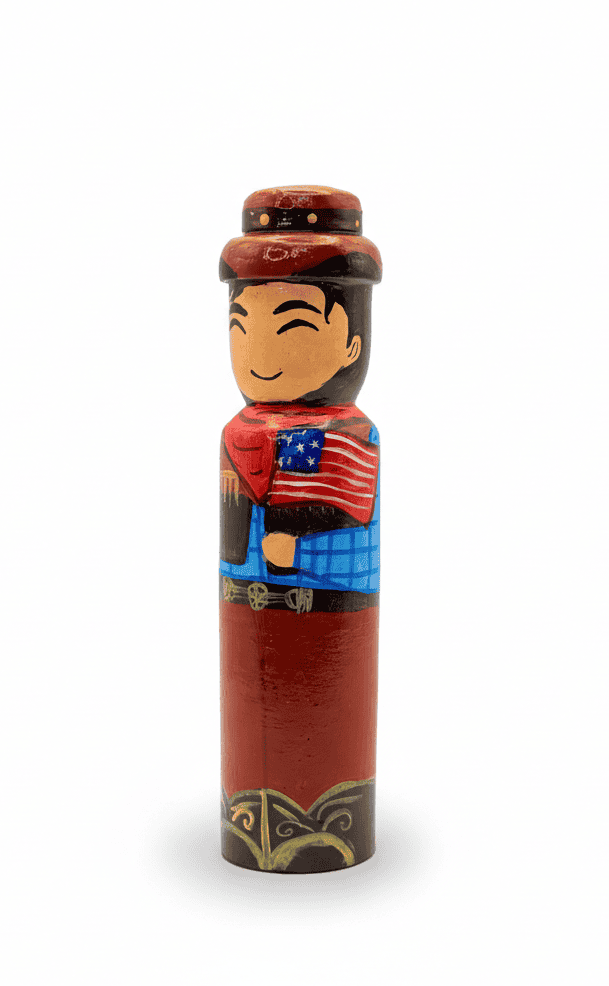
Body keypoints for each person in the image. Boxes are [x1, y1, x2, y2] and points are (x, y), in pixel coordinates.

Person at [217, 186, 383, 872]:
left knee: (325, 732)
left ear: (352, 342)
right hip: (249, 608)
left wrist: (301, 545)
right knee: (253, 710)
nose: (257, 351)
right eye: (241, 323)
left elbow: (355, 523)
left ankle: (328, 826)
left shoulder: (353, 438)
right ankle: (255, 825)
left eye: (291, 327)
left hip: (333, 614)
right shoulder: (239, 435)